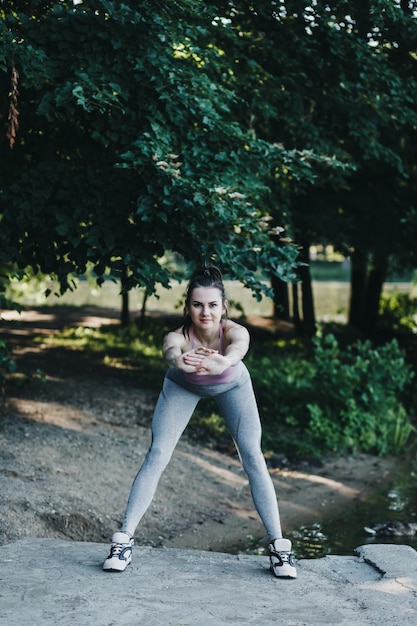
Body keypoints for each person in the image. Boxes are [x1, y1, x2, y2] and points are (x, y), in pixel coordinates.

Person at [103, 265, 297, 579]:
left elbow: (238, 348)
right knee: (157, 454)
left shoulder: (235, 331)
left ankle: (279, 548)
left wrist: (226, 360)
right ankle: (123, 541)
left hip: (234, 386)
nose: (205, 312)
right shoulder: (178, 336)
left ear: (224, 307)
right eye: (197, 305)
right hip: (182, 386)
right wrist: (179, 361)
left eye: (212, 305)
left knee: (253, 457)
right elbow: (170, 351)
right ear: (188, 307)